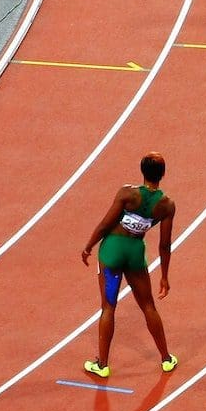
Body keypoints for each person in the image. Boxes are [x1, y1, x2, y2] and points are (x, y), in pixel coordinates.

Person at [80, 153, 178, 378]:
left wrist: (88, 245)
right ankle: (165, 359)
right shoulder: (167, 205)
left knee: (108, 307)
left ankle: (102, 365)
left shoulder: (127, 193)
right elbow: (165, 244)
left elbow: (106, 224)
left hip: (112, 251)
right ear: (163, 174)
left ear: (142, 171)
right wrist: (164, 276)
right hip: (135, 254)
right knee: (148, 306)